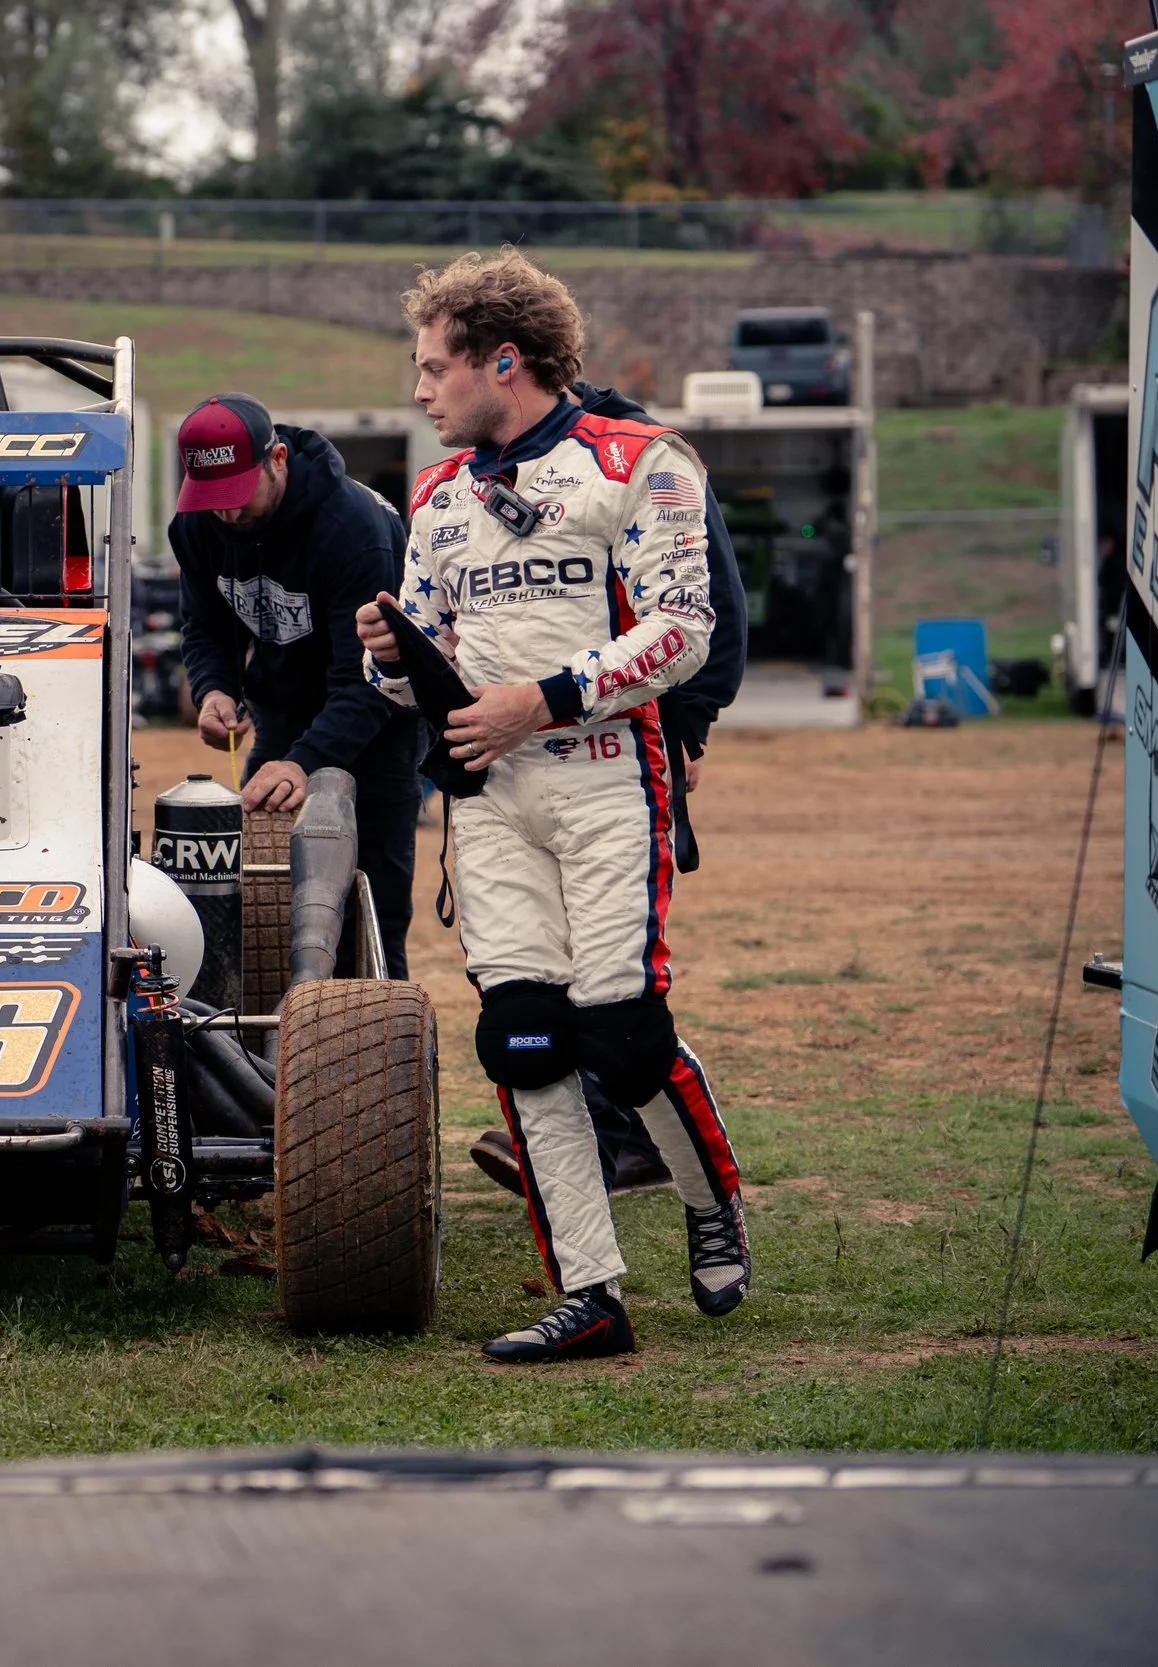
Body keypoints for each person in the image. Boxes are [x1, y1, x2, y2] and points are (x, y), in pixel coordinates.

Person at [356, 250, 750, 1363]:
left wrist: (543, 699)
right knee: (522, 1041)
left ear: (505, 360)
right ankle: (591, 1291)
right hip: (486, 797)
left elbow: (684, 629)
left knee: (622, 1034)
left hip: (605, 777)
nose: (421, 391)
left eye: (436, 369)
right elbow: (424, 662)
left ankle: (708, 1195)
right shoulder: (434, 492)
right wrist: (392, 658)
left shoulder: (641, 462)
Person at [167, 393, 424, 976]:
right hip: (282, 714)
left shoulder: (353, 529)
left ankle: (381, 1038)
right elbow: (205, 623)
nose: (226, 516)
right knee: (272, 900)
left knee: (370, 903)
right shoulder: (196, 524)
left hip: (378, 723)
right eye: (212, 502)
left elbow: (371, 678)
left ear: (277, 458)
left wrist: (304, 763)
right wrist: (215, 689)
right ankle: (283, 1041)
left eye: (236, 497)